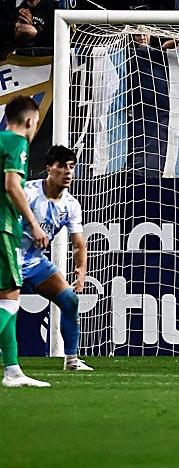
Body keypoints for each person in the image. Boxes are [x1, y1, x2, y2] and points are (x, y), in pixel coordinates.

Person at [18, 146, 91, 372]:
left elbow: (78, 242)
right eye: (61, 166)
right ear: (49, 168)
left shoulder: (71, 205)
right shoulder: (27, 192)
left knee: (69, 300)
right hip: (8, 258)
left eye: (71, 167)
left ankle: (71, 360)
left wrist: (80, 269)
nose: (68, 172)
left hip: (36, 263)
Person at [0, 96, 50, 386]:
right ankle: (12, 372)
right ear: (31, 121)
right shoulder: (17, 144)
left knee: (5, 297)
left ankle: (13, 370)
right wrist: (33, 223)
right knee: (10, 296)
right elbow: (12, 186)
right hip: (3, 227)